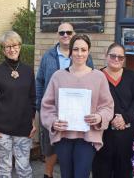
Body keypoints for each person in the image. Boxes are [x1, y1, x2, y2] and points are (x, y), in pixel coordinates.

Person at [40, 34, 114, 178]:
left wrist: (99, 117)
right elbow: (47, 106)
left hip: (87, 137)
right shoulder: (58, 76)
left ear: (88, 52)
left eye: (83, 50)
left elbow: (107, 106)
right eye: (76, 49)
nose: (79, 53)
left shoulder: (98, 77)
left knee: (81, 174)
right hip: (64, 136)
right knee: (66, 175)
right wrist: (53, 122)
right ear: (70, 51)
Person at [36, 22, 93, 178]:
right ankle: (48, 174)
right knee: (50, 146)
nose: (65, 35)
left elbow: (91, 82)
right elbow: (40, 81)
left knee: (71, 151)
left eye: (68, 32)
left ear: (73, 33)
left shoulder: (85, 56)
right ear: (58, 35)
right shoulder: (48, 56)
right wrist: (41, 107)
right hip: (53, 111)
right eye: (62, 33)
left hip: (78, 114)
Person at [0, 31, 36, 178]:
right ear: (3, 50)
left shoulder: (28, 71)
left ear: (20, 47)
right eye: (7, 46)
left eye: (15, 45)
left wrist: (33, 121)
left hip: (23, 126)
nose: (12, 49)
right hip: (1, 128)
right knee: (5, 167)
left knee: (24, 167)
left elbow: (32, 98)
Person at [92, 43, 134, 178]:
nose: (116, 59)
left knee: (124, 170)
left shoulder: (132, 76)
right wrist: (109, 119)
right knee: (101, 170)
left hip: (128, 132)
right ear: (106, 56)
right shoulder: (96, 76)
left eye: (120, 57)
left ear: (124, 59)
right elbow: (92, 102)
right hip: (104, 132)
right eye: (113, 56)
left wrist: (125, 118)